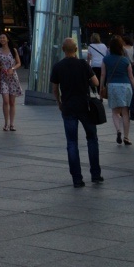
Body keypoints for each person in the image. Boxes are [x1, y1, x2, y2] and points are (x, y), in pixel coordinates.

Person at [50, 37, 103, 187]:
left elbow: (55, 88)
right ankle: (95, 174)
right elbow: (96, 82)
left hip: (68, 107)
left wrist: (59, 102)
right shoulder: (83, 64)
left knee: (72, 142)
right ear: (76, 49)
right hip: (85, 107)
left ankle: (77, 179)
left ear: (63, 50)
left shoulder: (58, 66)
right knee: (92, 139)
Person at [99, 35, 134, 147]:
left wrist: (101, 88)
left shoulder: (106, 59)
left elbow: (103, 74)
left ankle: (118, 131)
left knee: (115, 112)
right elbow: (131, 77)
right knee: (125, 112)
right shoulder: (125, 60)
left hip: (113, 86)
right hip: (125, 86)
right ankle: (126, 137)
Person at [0, 33, 23, 132]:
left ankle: (12, 124)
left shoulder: (13, 50)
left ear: (7, 39)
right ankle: (6, 123)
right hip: (3, 78)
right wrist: (1, 69)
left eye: (4, 38)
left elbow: (19, 63)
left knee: (12, 102)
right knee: (5, 100)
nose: (2, 39)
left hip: (13, 78)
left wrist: (12, 68)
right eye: (0, 38)